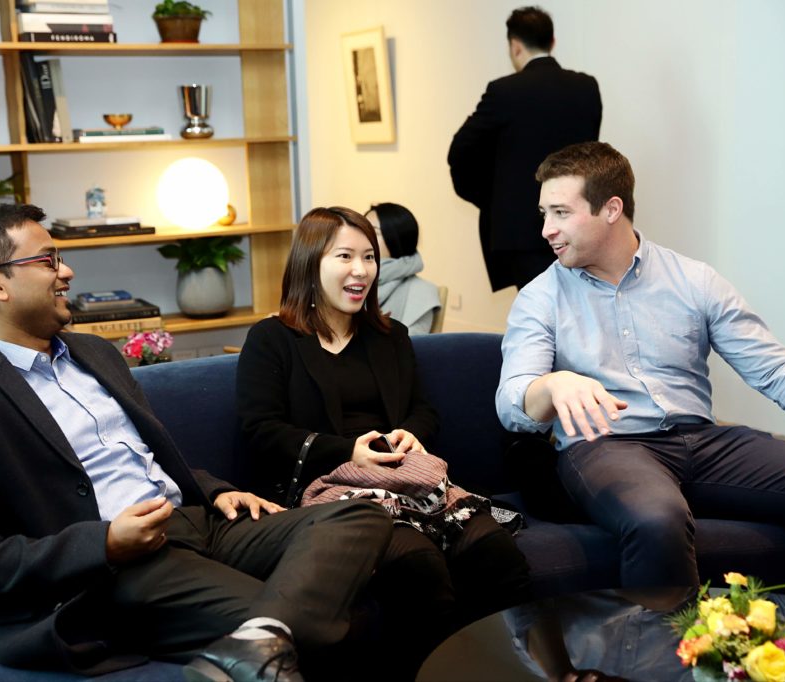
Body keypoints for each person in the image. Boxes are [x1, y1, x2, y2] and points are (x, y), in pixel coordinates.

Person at [0, 203, 394, 681]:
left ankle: (261, 637)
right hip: (117, 570)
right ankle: (269, 634)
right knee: (346, 620)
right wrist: (102, 543)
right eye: (47, 261)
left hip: (193, 521)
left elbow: (144, 458)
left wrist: (214, 490)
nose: (66, 271)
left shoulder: (95, 353)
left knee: (360, 512)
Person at [496, 141, 785, 606]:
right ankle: (670, 669)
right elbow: (513, 402)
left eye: (561, 213)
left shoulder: (693, 280)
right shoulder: (539, 297)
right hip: (607, 447)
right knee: (656, 517)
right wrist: (551, 385)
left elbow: (774, 366)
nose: (547, 229)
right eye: (544, 213)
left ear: (612, 209)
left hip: (703, 442)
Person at [235, 206, 532, 680]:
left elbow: (424, 411)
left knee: (497, 553)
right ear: (311, 262)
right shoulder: (273, 339)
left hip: (406, 481)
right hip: (332, 494)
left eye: (369, 256)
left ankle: (516, 671)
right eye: (345, 256)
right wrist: (347, 450)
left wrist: (412, 433)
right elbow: (260, 430)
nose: (361, 270)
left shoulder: (390, 336)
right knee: (418, 564)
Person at [448, 6, 601, 292]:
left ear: (515, 46)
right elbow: (591, 156)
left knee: (537, 318)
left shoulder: (504, 91)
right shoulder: (586, 87)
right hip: (578, 222)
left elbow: (459, 151)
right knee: (579, 312)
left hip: (522, 231)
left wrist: (491, 199)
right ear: (552, 42)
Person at [364, 202, 442, 335]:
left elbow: (412, 348)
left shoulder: (422, 293)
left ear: (395, 239)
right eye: (362, 230)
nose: (364, 237)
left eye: (374, 232)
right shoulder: (348, 280)